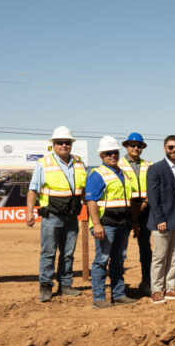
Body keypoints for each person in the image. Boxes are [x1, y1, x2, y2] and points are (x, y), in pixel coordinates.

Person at [26, 126, 85, 303]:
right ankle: (45, 286)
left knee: (68, 253)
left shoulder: (78, 161)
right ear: (53, 144)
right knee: (48, 252)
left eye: (67, 142)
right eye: (60, 142)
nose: (64, 145)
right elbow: (33, 190)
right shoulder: (44, 163)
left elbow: (82, 189)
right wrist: (29, 212)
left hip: (72, 215)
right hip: (52, 216)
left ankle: (65, 284)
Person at [85, 136, 138, 309]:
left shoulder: (123, 173)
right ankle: (99, 298)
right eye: (108, 153)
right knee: (101, 260)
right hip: (106, 224)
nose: (112, 155)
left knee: (118, 260)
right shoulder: (97, 175)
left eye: (115, 152)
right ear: (101, 155)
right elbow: (91, 201)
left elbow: (129, 200)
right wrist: (96, 224)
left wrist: (133, 222)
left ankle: (119, 294)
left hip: (123, 223)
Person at [146, 135, 175, 304]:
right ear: (165, 148)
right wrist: (159, 219)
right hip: (163, 218)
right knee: (160, 256)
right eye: (171, 147)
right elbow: (153, 197)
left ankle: (170, 288)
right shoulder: (156, 169)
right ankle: (156, 290)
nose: (174, 150)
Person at [119, 132, 152, 296]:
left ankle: (147, 281)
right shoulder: (118, 164)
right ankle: (118, 284)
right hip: (125, 209)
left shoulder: (148, 165)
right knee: (120, 249)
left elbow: (153, 186)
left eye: (139, 145)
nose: (136, 148)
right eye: (132, 145)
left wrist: (145, 203)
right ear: (126, 146)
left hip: (145, 209)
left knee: (145, 248)